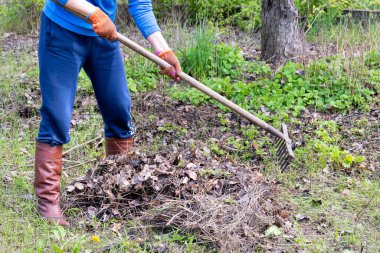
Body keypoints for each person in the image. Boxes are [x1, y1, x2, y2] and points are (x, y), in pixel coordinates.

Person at [35, 0, 182, 227]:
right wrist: (93, 12)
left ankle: (117, 186)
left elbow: (140, 4)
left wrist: (162, 49)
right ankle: (48, 202)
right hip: (62, 33)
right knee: (57, 115)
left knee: (119, 110)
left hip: (103, 35)